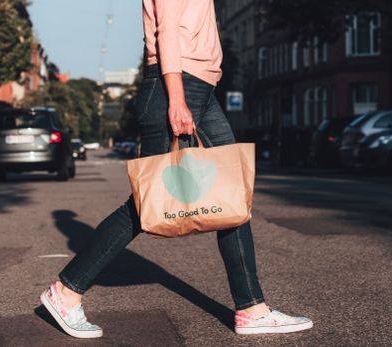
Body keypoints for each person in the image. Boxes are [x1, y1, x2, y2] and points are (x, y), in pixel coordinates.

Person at [40, 0, 313, 339]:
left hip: (200, 87)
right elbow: (166, 28)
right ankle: (66, 292)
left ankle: (251, 309)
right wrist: (176, 98)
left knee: (234, 192)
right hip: (180, 85)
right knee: (144, 205)